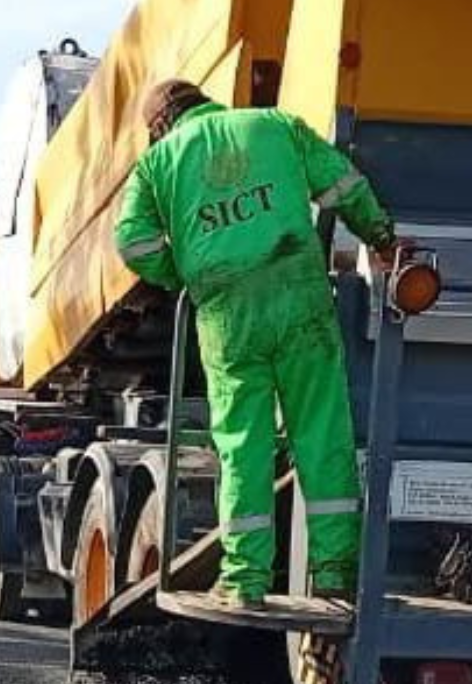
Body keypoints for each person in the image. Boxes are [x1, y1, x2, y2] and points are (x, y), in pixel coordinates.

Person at [115, 79, 400, 608]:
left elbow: (131, 240)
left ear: (160, 127)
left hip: (227, 314)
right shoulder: (275, 125)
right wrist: (382, 238)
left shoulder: (158, 164)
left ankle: (244, 580)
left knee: (243, 443)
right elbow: (345, 186)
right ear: (205, 102)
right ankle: (335, 572)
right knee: (321, 432)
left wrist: (186, 274)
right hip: (300, 297)